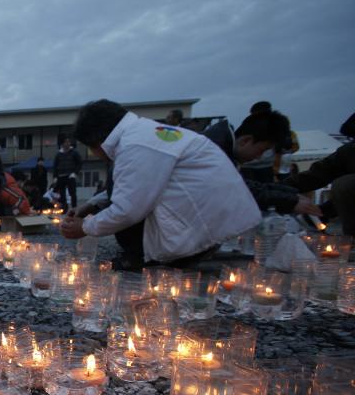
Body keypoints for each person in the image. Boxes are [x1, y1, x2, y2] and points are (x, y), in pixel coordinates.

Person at [60, 100, 260, 269]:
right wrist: (92, 205)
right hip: (214, 224)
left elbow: (127, 210)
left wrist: (85, 227)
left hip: (200, 232)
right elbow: (138, 184)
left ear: (97, 141)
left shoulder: (135, 146)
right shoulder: (143, 135)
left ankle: (154, 261)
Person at [203, 110, 319, 216]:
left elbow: (246, 185)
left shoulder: (222, 147)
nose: (259, 157)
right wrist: (289, 201)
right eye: (261, 150)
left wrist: (290, 194)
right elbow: (238, 191)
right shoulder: (213, 151)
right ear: (245, 141)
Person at [280, 113, 355, 235]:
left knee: (344, 184)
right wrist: (272, 190)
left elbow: (347, 189)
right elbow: (317, 175)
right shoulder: (350, 151)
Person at [52, 136, 82, 211]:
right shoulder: (58, 154)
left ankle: (74, 209)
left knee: (73, 193)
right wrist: (55, 177)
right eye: (66, 142)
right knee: (62, 194)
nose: (68, 143)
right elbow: (55, 166)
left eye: (69, 142)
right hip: (61, 176)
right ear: (62, 144)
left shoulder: (74, 152)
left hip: (70, 175)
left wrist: (75, 173)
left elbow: (80, 162)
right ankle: (64, 209)